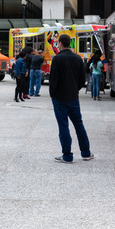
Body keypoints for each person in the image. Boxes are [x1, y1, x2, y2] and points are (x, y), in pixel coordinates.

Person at [49, 34, 93, 163]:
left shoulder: (57, 59)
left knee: (63, 126)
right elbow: (82, 79)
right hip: (73, 96)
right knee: (78, 124)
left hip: (59, 97)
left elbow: (53, 80)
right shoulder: (77, 58)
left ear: (60, 43)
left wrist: (53, 94)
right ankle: (86, 152)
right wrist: (75, 89)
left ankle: (67, 155)